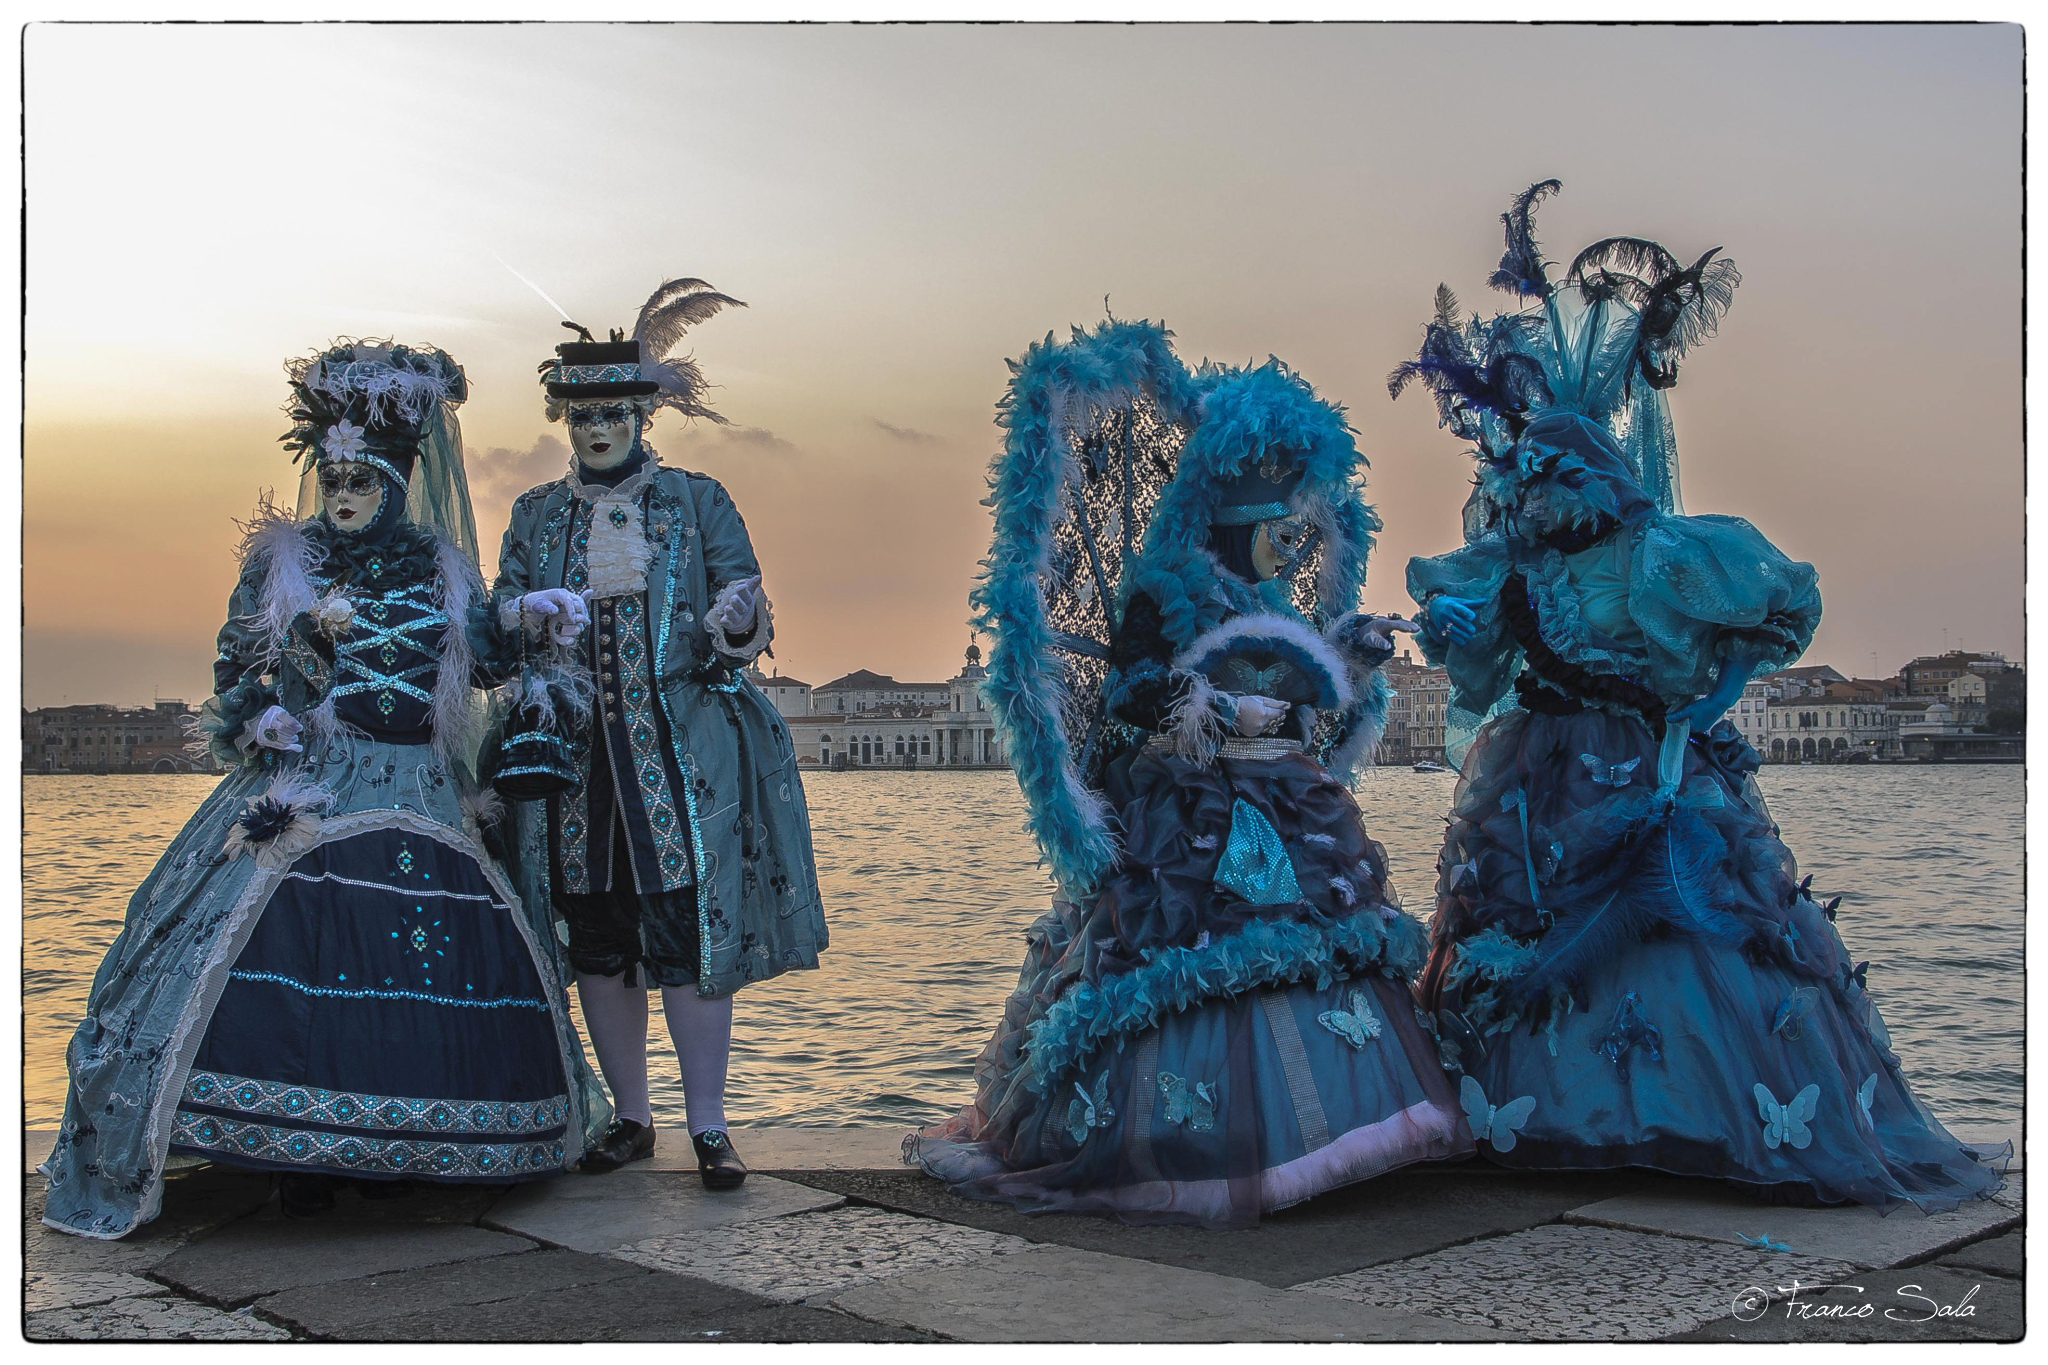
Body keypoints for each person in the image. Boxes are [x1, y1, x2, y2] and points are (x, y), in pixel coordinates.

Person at [1395, 181, 2008, 1211]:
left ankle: (1688, 1112)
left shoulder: (1657, 556)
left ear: (1589, 477)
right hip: (1532, 773)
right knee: (1524, 920)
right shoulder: (1510, 568)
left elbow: (1777, 613)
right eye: (1521, 484)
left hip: (1640, 765)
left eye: (1548, 480)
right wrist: (1453, 637)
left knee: (1679, 919)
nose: (1530, 498)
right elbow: (1479, 674)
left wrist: (1706, 699)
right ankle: (1533, 1111)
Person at [909, 320, 1473, 1229]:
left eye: (1291, 532)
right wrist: (1194, 704)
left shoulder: (1268, 603)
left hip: (1284, 802)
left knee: (1318, 940)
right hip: (1190, 812)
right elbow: (1129, 691)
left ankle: (1341, 1129)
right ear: (1231, 518)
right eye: (1272, 531)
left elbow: (1303, 696)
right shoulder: (1162, 589)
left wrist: (1349, 661)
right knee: (1186, 958)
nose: (1287, 550)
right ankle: (1206, 1147)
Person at [43, 340, 610, 1238]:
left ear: (396, 481)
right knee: (285, 937)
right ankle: (292, 1154)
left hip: (424, 790)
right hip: (317, 783)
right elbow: (238, 664)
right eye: (332, 476)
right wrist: (275, 690)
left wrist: (526, 618)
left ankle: (406, 1151)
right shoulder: (287, 566)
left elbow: (485, 662)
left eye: (364, 479)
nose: (343, 493)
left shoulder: (442, 570)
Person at [490, 279, 827, 1190]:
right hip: (571, 770)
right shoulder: (534, 516)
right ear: (565, 419)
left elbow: (747, 615)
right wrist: (524, 611)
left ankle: (710, 1125)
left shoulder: (696, 499)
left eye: (612, 412)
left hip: (680, 759)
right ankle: (632, 1118)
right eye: (581, 415)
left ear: (642, 413)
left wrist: (733, 614)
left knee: (686, 932)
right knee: (597, 933)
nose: (596, 429)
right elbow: (491, 630)